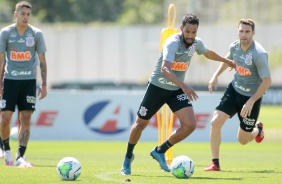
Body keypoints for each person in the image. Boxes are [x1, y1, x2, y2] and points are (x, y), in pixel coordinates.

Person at [120, 13, 237, 175]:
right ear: (181, 29)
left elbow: (208, 53)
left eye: (193, 32)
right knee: (140, 125)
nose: (190, 35)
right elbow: (165, 69)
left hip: (174, 91)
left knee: (190, 125)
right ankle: (127, 158)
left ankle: (160, 151)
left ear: (197, 31)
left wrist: (227, 61)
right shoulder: (172, 43)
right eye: (187, 31)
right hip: (157, 88)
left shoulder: (196, 43)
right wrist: (185, 86)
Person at [204, 19, 271, 171]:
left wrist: (251, 101)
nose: (244, 34)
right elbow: (228, 60)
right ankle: (215, 163)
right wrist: (215, 76)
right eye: (241, 31)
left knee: (242, 140)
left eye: (247, 31)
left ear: (253, 33)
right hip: (234, 91)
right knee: (215, 122)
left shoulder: (259, 54)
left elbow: (267, 81)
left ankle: (257, 130)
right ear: (237, 31)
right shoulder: (235, 46)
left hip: (250, 98)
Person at [0, 1, 48, 167]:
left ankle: (20, 155)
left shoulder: (36, 34)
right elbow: (1, 62)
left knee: (26, 117)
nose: (26, 17)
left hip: (29, 82)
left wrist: (44, 84)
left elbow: (42, 62)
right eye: (22, 14)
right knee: (5, 118)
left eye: (28, 14)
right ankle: (5, 147)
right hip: (10, 81)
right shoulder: (5, 33)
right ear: (16, 14)